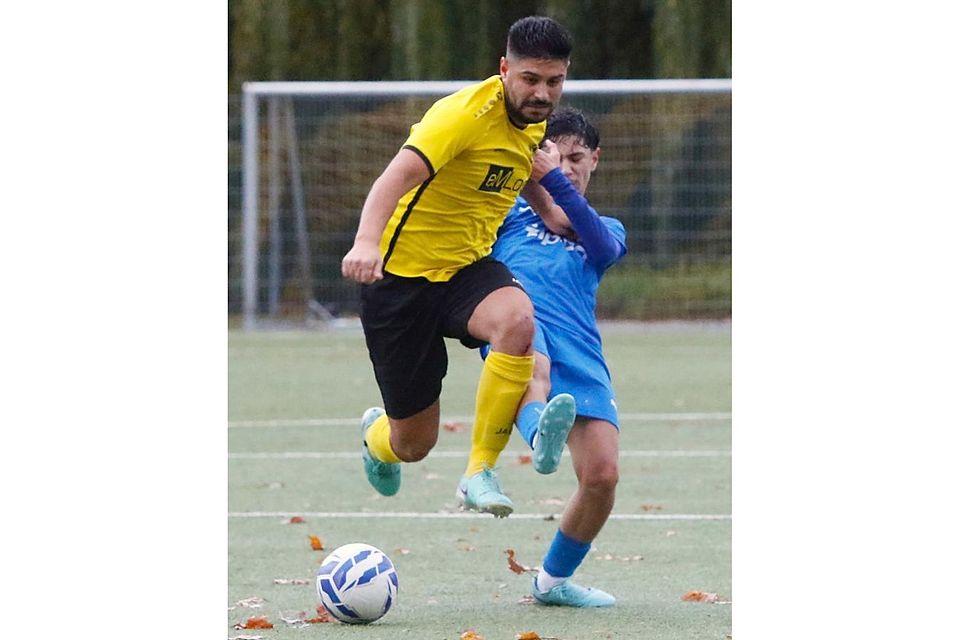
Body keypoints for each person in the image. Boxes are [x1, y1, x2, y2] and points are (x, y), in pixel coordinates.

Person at [340, 16, 573, 519]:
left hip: (467, 269)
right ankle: (376, 437)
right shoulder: (462, 116)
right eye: (530, 80)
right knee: (412, 443)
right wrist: (365, 242)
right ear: (505, 69)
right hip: (398, 281)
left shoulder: (534, 121)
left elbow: (520, 164)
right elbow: (393, 177)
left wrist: (552, 213)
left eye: (554, 81)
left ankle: (478, 473)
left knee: (517, 320)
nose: (542, 93)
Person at [483, 108, 626, 606]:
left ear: (595, 160)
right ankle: (539, 431)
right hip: (517, 324)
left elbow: (586, 235)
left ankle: (551, 582)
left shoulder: (605, 228)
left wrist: (545, 178)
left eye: (577, 157)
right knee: (533, 364)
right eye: (554, 156)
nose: (566, 166)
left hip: (580, 347)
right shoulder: (506, 217)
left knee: (602, 475)